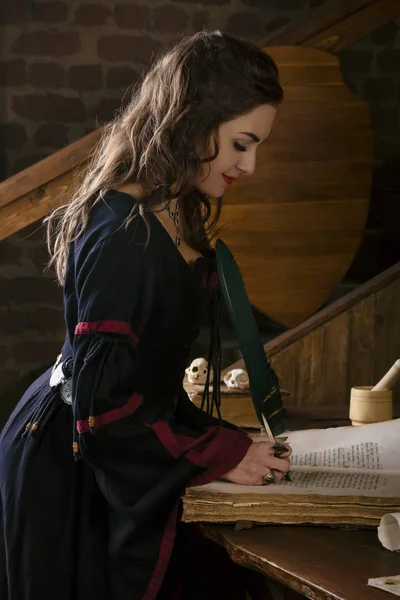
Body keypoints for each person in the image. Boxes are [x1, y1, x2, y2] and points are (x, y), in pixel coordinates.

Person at [0, 30, 291, 600]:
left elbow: (145, 382)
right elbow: (106, 411)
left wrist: (222, 443)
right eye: (241, 143)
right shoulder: (122, 235)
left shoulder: (169, 208)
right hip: (70, 462)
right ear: (193, 121)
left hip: (107, 436)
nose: (250, 165)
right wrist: (221, 454)